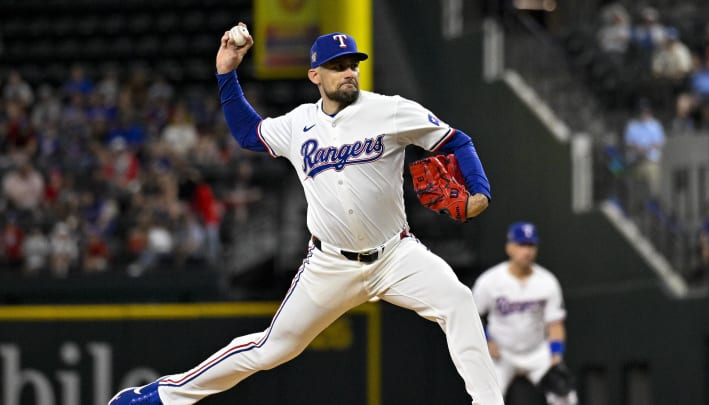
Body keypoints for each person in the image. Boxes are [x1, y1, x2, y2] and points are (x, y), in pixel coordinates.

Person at [108, 26, 504, 405]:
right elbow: (249, 133)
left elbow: (456, 140)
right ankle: (162, 396)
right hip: (330, 264)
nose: (348, 72)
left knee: (458, 300)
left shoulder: (391, 110)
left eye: (353, 64)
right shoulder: (298, 124)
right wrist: (226, 74)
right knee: (270, 349)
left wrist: (479, 191)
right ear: (315, 74)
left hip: (395, 255)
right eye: (337, 66)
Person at [471, 222, 577, 405]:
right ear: (509, 247)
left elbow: (555, 324)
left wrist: (556, 356)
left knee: (566, 397)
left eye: (531, 245)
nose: (526, 251)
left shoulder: (547, 281)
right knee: (485, 400)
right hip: (502, 353)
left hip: (536, 351)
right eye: (521, 245)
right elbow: (472, 315)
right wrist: (486, 339)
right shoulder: (489, 281)